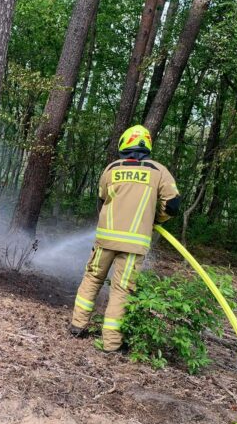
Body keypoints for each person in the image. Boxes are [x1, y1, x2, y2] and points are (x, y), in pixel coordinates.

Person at [70, 124, 181, 352]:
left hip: (105, 240)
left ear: (124, 144)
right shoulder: (159, 171)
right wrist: (155, 219)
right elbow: (172, 204)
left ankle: (77, 325)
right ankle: (111, 344)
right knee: (121, 290)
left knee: (92, 279)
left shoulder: (112, 169)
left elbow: (102, 199)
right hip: (134, 243)